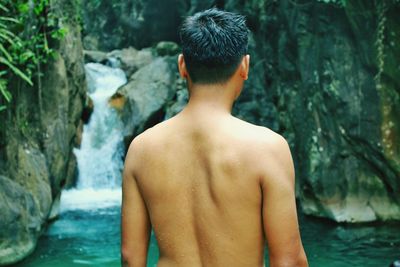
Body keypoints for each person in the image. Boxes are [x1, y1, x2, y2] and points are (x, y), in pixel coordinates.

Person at [121, 8, 308, 267]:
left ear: (182, 65)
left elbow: (131, 258)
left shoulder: (141, 149)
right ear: (245, 66)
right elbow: (288, 261)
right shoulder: (268, 148)